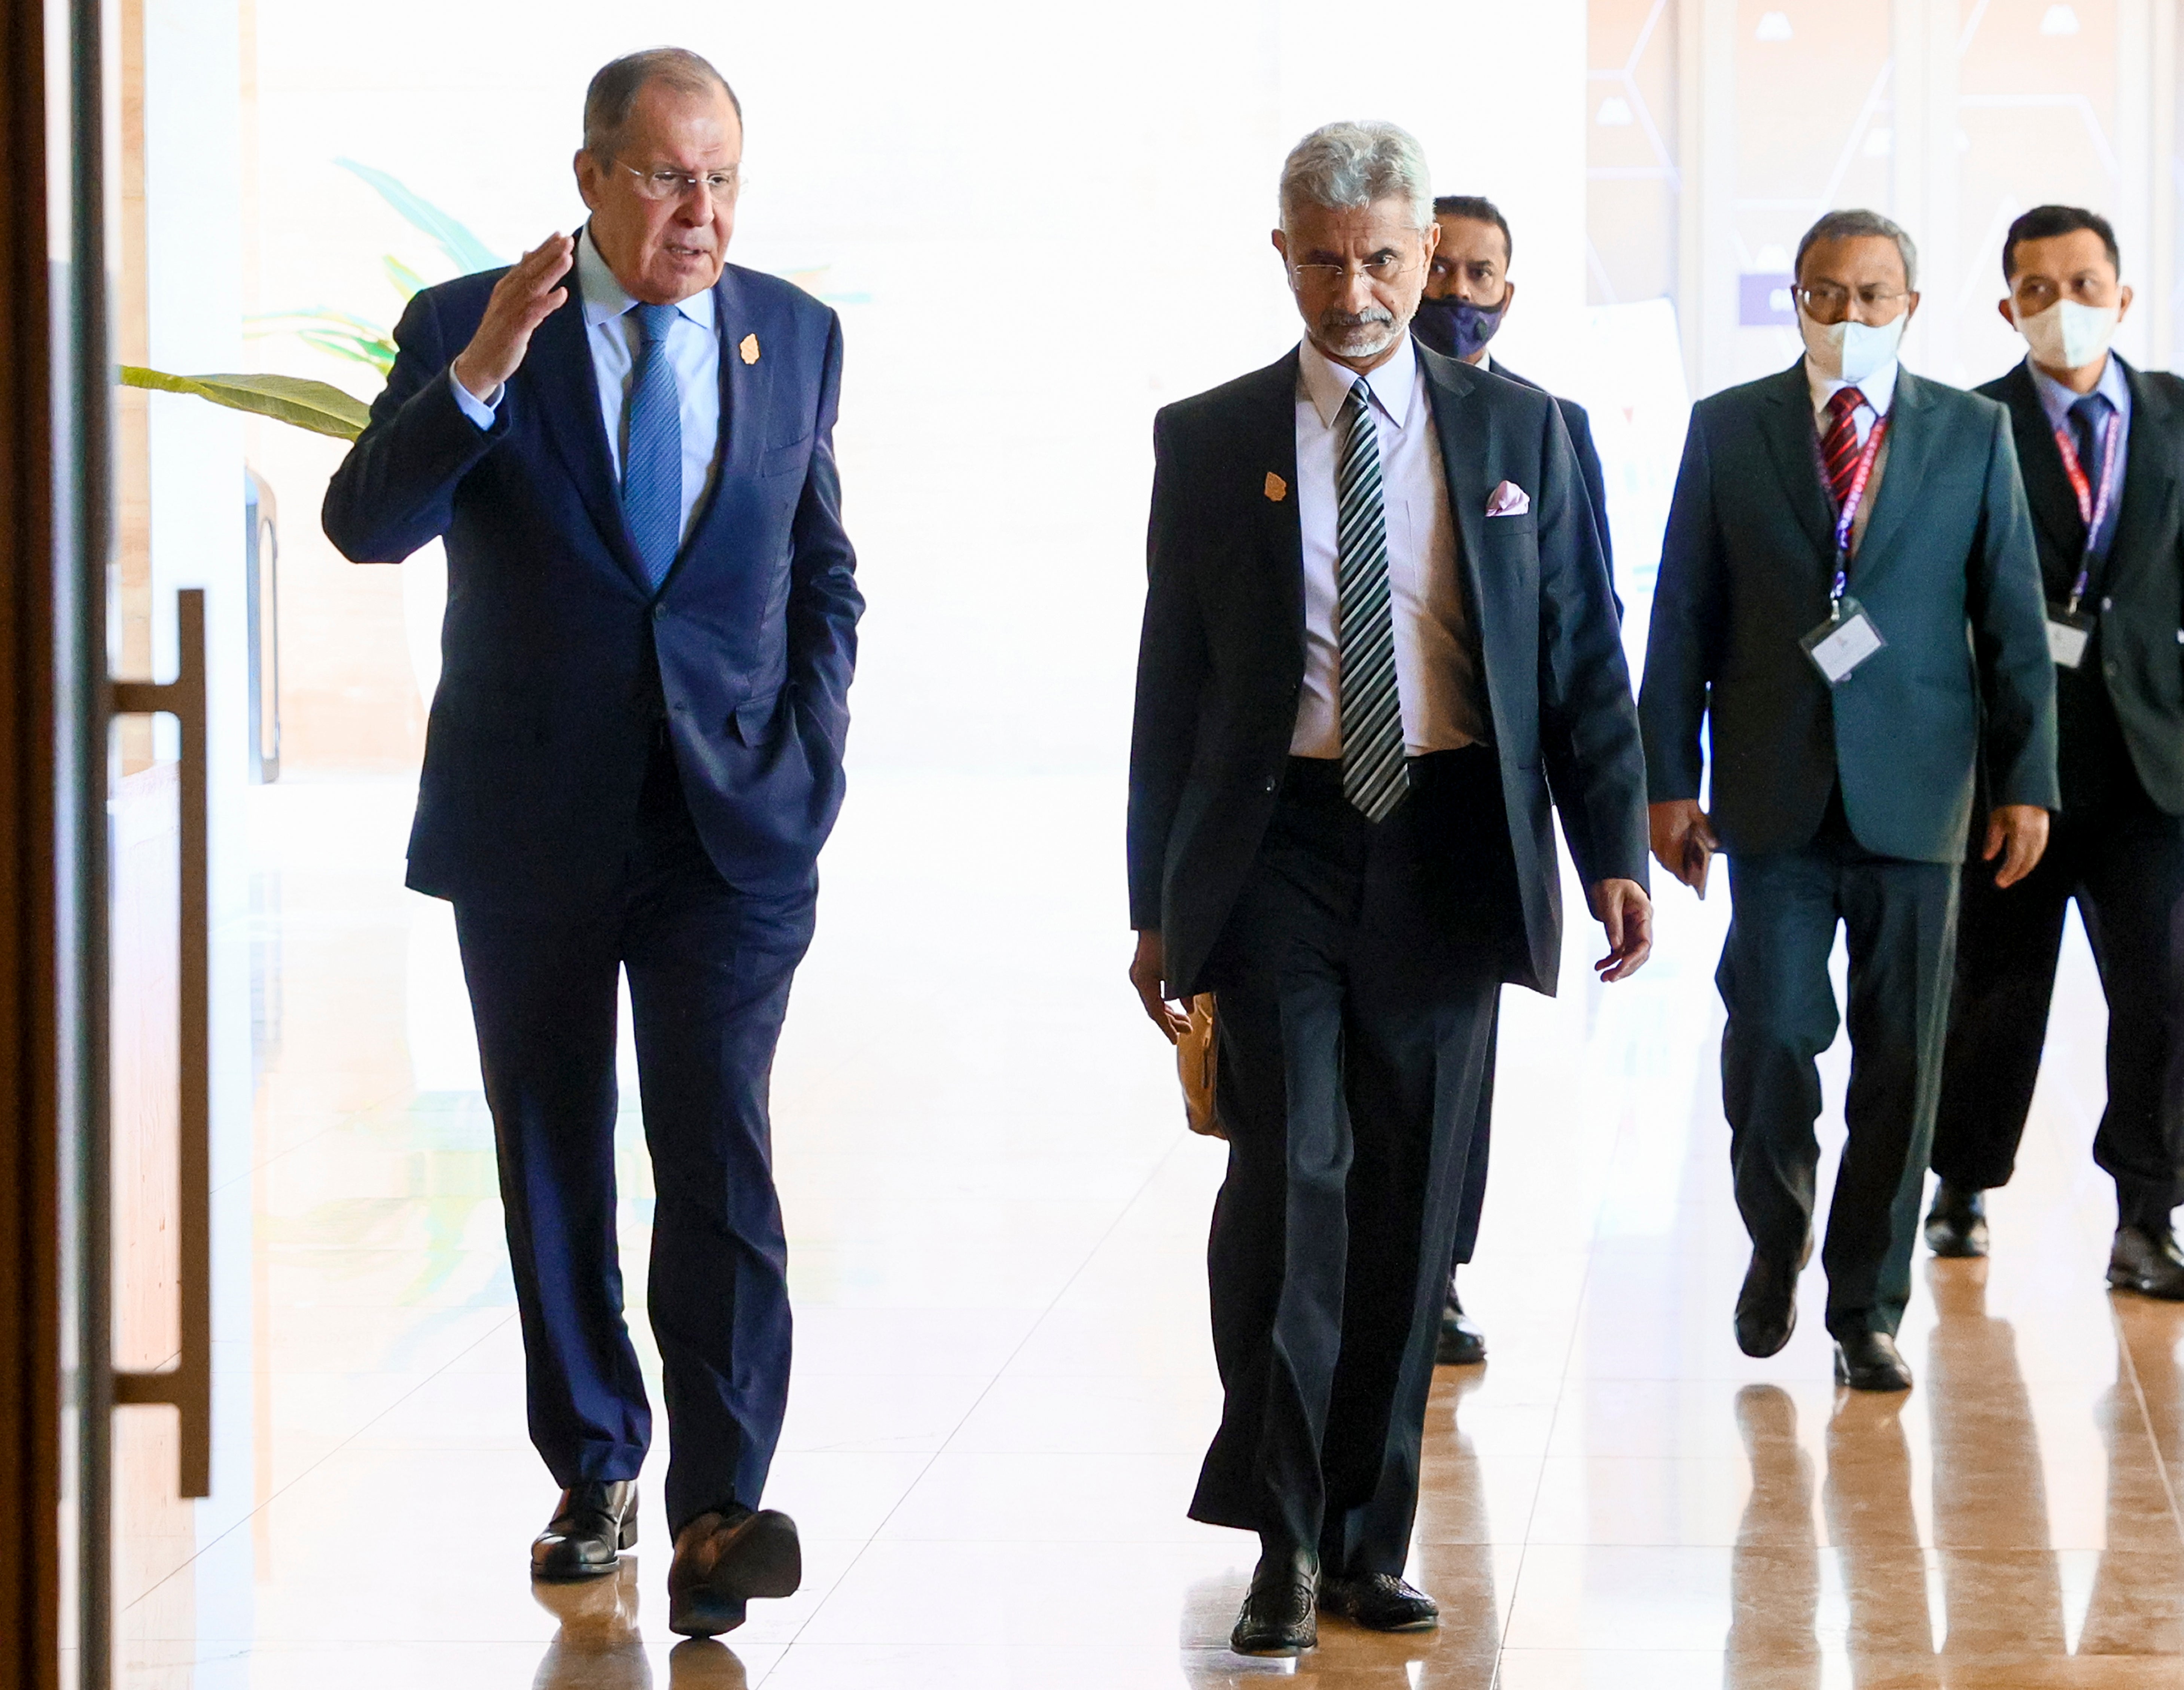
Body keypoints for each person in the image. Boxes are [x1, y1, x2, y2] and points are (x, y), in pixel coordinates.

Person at [322, 49, 862, 1638]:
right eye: (665, 177)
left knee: (719, 1155)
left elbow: (821, 565)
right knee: (553, 1154)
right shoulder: (466, 323)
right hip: (532, 815)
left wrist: (814, 752)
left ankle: (719, 1506)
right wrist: (483, 365)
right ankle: (596, 1466)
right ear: (589, 179)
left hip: (730, 823)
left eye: (722, 181)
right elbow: (369, 522)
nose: (699, 213)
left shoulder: (795, 333)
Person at [1127, 119, 1650, 1659]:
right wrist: (1156, 894)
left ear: (1426, 259)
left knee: (1412, 1208)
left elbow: (1580, 661)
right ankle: (1282, 1540)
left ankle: (1367, 1540)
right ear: (1280, 255)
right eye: (1323, 257)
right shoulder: (1208, 437)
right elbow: (1172, 677)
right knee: (1295, 1182)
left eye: (1382, 258)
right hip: (1279, 837)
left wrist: (1610, 843)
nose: (1353, 288)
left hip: (1442, 841)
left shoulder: (1524, 436)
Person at [1641, 207, 2057, 1394]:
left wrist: (2026, 783)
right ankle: (1776, 1239)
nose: (1848, 315)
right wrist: (1668, 778)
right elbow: (1679, 611)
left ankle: (1865, 1303)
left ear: (1909, 307)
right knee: (1771, 1031)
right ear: (1797, 302)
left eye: (1873, 295)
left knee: (1900, 1059)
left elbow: (2013, 622)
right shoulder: (1729, 429)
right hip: (1771, 789)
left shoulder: (1971, 435)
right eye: (1825, 294)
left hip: (1922, 794)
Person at [1924, 206, 2184, 1297]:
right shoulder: (1969, 424)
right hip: (2014, 768)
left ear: (2122, 294)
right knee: (1994, 990)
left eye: (2082, 282)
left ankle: (2144, 1211)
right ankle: (1963, 1176)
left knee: (2164, 987)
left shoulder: (2174, 412)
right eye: (2036, 288)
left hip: (2149, 763)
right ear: (2007, 308)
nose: (2062, 305)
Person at [1412, 192, 1619, 1370]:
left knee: (1457, 1068)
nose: (1457, 295)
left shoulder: (1547, 427)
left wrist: (1606, 845)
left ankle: (1438, 1270)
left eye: (1479, 274)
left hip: (1480, 807)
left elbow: (1585, 634)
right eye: (1439, 269)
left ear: (1508, 288)